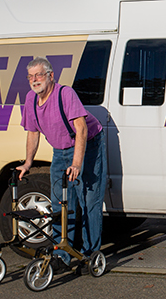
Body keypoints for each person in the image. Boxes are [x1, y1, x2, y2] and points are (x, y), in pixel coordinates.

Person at [16, 57, 107, 268]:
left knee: (88, 201)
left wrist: (76, 163)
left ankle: (89, 255)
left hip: (88, 145)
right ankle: (62, 254)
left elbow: (82, 129)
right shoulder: (30, 99)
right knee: (60, 202)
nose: (34, 80)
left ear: (50, 76)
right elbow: (32, 132)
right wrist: (28, 162)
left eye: (38, 75)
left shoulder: (65, 94)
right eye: (30, 76)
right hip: (60, 150)